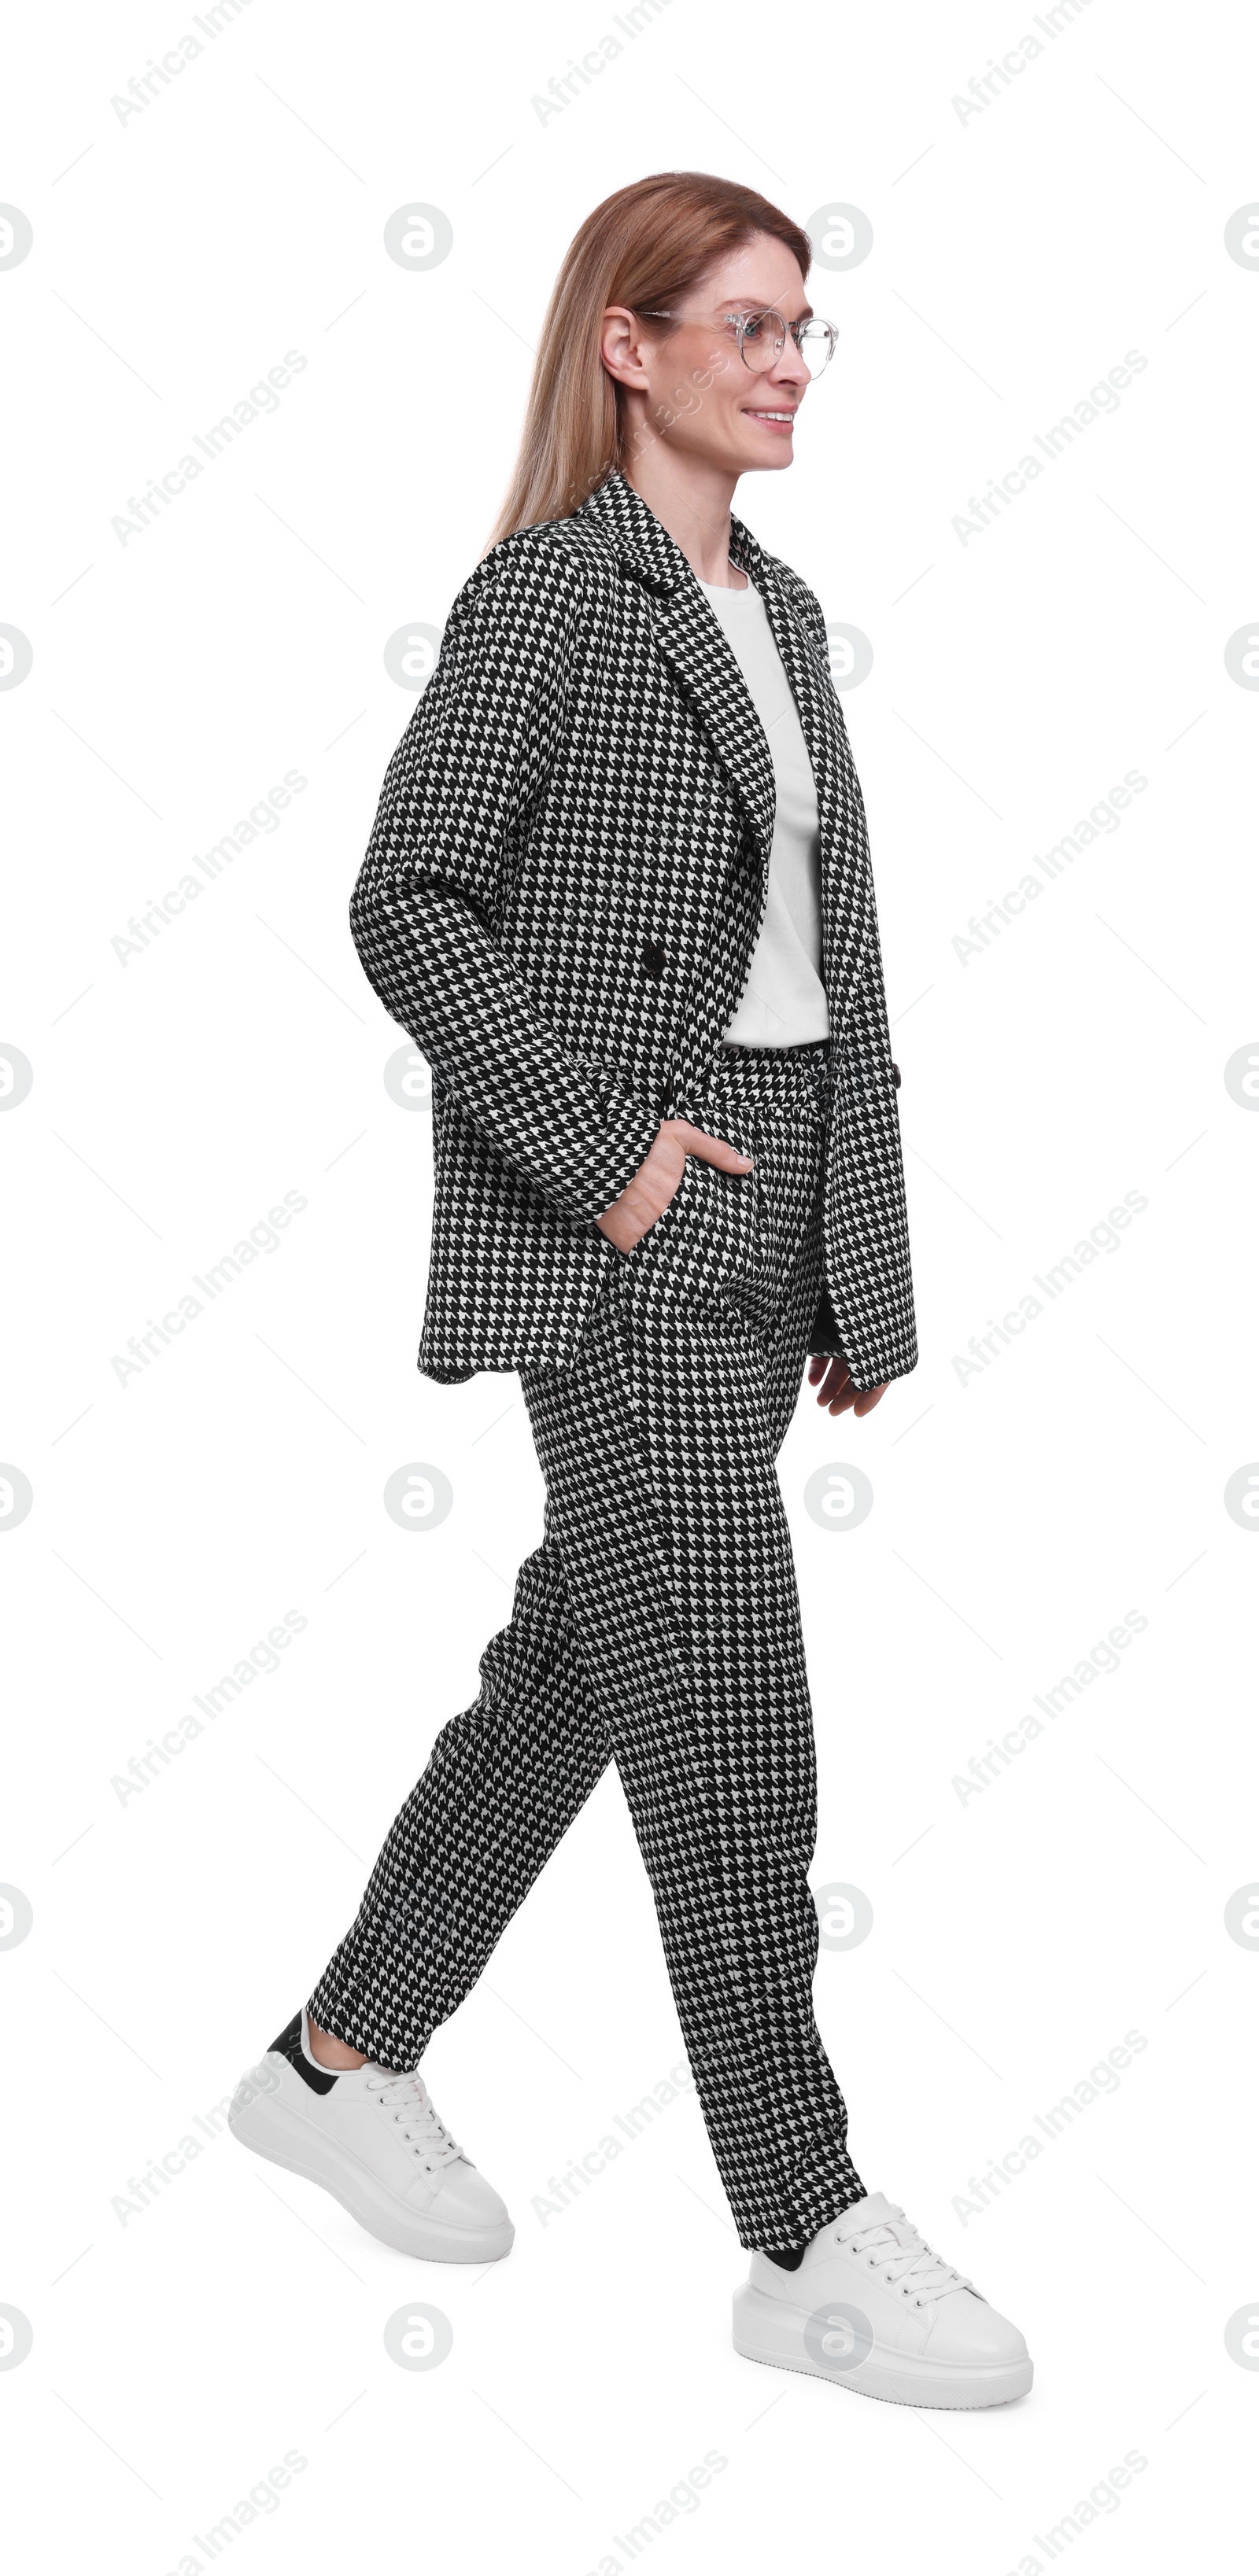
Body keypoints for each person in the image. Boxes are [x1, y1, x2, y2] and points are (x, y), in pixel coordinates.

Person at [230, 170, 1031, 2409]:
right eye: (749, 324)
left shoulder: (774, 603)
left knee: (590, 1660)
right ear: (630, 343)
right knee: (734, 1720)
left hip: (766, 1218)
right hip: (632, 1228)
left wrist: (848, 1263)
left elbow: (830, 972)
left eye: (806, 329)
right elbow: (408, 899)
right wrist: (603, 1163)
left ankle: (337, 2049)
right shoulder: (549, 602)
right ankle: (805, 2225)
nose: (789, 364)